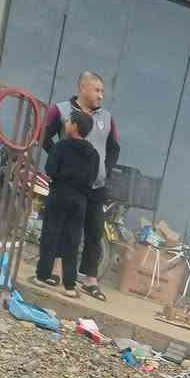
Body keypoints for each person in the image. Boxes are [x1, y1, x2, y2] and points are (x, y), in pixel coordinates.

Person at [42, 71, 120, 300]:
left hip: (96, 186)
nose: (101, 96)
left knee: (94, 232)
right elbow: (43, 136)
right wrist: (60, 160)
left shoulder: (107, 118)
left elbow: (114, 147)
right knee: (64, 228)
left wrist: (105, 169)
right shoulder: (60, 111)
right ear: (83, 88)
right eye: (97, 90)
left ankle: (90, 279)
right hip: (69, 186)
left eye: (102, 91)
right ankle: (56, 271)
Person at [33, 110, 100, 297]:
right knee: (72, 241)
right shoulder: (93, 154)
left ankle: (42, 276)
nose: (66, 123)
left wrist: (62, 176)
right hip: (79, 201)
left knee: (50, 235)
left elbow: (50, 169)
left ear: (75, 126)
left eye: (69, 121)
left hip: (59, 195)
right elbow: (92, 179)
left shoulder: (61, 147)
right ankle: (69, 286)